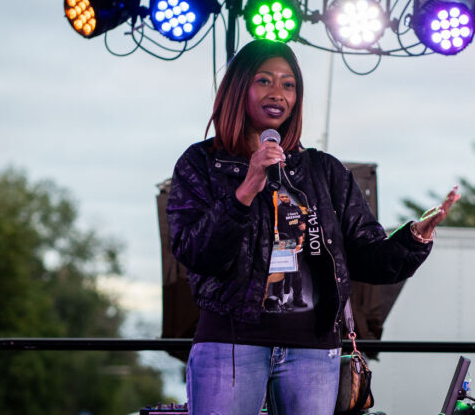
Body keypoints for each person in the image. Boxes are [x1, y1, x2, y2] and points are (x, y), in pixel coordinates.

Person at [167, 39, 459, 415]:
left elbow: (369, 258)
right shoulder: (201, 163)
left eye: (288, 84)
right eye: (264, 81)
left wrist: (415, 236)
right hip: (231, 345)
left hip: (312, 352)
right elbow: (194, 252)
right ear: (239, 88)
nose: (278, 93)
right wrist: (245, 190)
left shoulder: (325, 172)